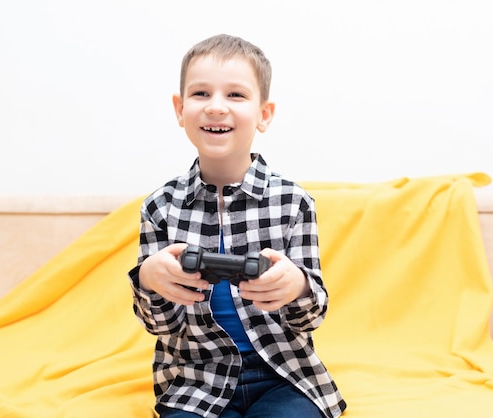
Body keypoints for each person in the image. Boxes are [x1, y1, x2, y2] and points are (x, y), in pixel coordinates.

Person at [128, 34, 346, 418]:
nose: (216, 108)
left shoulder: (293, 202)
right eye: (200, 94)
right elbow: (160, 327)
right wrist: (148, 279)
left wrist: (296, 284)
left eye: (235, 95)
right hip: (196, 380)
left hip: (284, 374)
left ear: (264, 114)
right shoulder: (159, 208)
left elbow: (311, 316)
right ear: (179, 110)